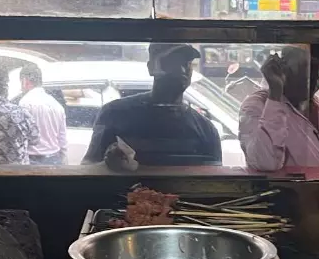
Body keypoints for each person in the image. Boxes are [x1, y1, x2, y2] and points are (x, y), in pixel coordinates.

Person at [82, 43, 222, 167]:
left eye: (187, 64)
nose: (182, 71)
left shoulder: (206, 129)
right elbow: (88, 167)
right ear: (151, 68)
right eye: (171, 63)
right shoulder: (114, 114)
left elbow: (216, 183)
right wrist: (108, 163)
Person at [238, 44, 319, 171]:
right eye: (310, 68)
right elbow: (265, 162)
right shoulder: (257, 105)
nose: (317, 77)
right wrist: (276, 93)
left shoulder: (315, 107)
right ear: (285, 67)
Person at [18, 65, 68, 165]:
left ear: (25, 80)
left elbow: (21, 137)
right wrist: (64, 160)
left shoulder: (25, 103)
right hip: (55, 159)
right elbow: (62, 139)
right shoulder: (56, 105)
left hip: (32, 160)